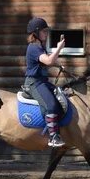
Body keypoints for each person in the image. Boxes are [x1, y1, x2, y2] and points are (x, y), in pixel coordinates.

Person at [24, 17, 68, 148]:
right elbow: (49, 61)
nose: (46, 33)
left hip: (42, 82)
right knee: (52, 104)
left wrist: (58, 66)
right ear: (36, 33)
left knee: (61, 98)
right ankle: (53, 137)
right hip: (34, 83)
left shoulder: (40, 47)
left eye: (46, 31)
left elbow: (46, 62)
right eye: (44, 31)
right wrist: (59, 48)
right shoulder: (33, 48)